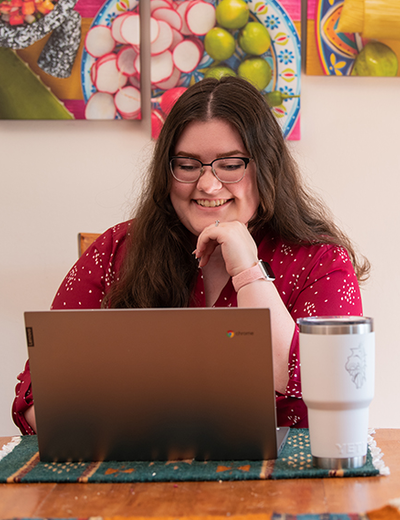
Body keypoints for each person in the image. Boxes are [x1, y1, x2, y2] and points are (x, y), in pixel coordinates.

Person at [13, 76, 370, 435]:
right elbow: (36, 401)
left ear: (267, 167)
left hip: (285, 485)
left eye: (231, 165)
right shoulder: (115, 250)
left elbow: (328, 391)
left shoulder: (321, 261)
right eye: (187, 165)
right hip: (137, 479)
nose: (208, 185)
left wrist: (248, 271)